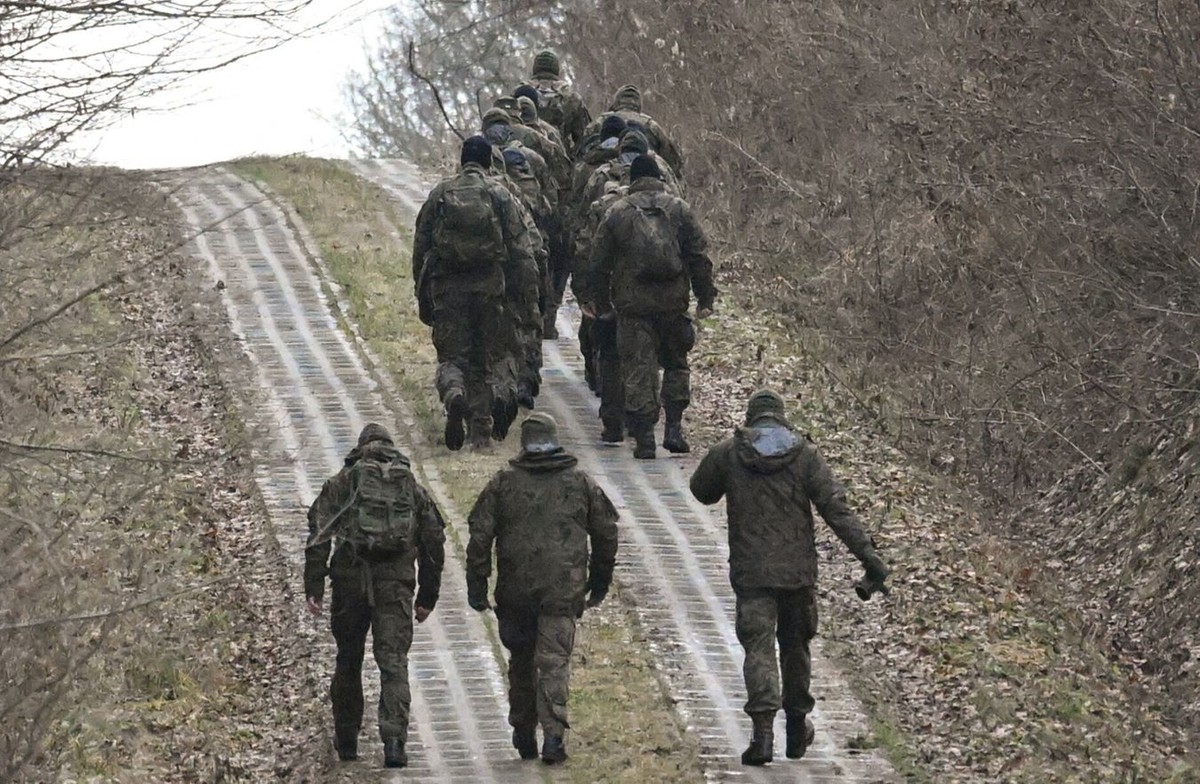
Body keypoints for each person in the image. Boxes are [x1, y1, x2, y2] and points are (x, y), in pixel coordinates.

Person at [688, 390, 891, 765]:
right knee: (796, 648)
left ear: (752, 420)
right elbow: (837, 510)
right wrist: (871, 558)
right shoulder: (805, 456)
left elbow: (701, 491)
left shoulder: (731, 452)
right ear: (782, 419)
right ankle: (797, 727)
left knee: (759, 649)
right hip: (798, 573)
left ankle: (762, 736)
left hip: (752, 573)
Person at [465, 413, 619, 764]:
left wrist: (477, 584)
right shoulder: (580, 483)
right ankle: (553, 736)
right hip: (562, 591)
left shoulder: (503, 483)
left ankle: (523, 731)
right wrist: (599, 580)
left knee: (521, 661)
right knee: (554, 663)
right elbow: (607, 531)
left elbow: (479, 537)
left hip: (515, 592)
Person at [304, 423, 447, 768]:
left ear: (361, 448)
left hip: (350, 582)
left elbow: (319, 532)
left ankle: (348, 739)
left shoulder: (344, 481)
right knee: (393, 663)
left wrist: (314, 586)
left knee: (348, 659)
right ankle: (394, 742)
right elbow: (434, 540)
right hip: (395, 585)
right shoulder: (410, 486)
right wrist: (428, 595)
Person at [581, 154, 717, 458]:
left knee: (638, 368)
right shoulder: (679, 209)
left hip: (633, 307)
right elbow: (699, 256)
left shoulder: (617, 212)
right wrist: (705, 297)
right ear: (658, 177)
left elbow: (598, 262)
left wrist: (599, 303)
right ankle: (674, 427)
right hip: (673, 304)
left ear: (633, 180)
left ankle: (644, 438)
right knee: (676, 364)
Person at [412, 135, 540, 449]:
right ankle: (483, 429)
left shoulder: (441, 194)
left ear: (462, 160)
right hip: (490, 289)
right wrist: (527, 298)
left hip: (448, 288)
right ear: (487, 162)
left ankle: (455, 394)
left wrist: (423, 291)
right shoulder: (500, 194)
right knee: (488, 358)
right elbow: (522, 250)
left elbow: (421, 246)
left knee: (453, 358)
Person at [522, 49, 592, 157]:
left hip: (524, 157)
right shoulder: (571, 97)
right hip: (558, 160)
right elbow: (585, 138)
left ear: (535, 69)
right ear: (556, 70)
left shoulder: (521, 92)